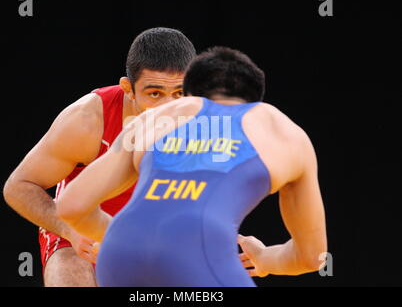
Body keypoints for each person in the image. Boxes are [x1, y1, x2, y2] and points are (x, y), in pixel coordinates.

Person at [56, 47, 327, 286]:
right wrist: (265, 259)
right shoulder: (279, 128)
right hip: (200, 255)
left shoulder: (156, 118)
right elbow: (313, 257)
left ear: (188, 94)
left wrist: (125, 239)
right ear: (255, 101)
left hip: (119, 258)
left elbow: (71, 205)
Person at [3, 27, 197, 286]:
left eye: (179, 93)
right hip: (82, 235)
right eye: (154, 94)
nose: (168, 108)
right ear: (128, 88)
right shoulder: (87, 122)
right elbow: (18, 186)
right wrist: (66, 228)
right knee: (70, 272)